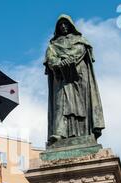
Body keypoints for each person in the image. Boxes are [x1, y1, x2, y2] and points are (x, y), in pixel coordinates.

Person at [44, 14, 105, 146]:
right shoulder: (53, 45)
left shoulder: (80, 40)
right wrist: (58, 62)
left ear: (71, 25)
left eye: (66, 24)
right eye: (61, 25)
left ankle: (84, 133)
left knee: (82, 104)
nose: (63, 26)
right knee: (61, 103)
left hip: (79, 76)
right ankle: (60, 133)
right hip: (61, 78)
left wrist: (66, 59)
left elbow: (80, 50)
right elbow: (50, 58)